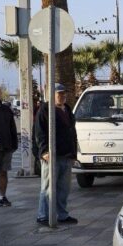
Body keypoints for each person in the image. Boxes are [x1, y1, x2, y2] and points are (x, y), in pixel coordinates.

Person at [34, 84, 78, 226]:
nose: (62, 96)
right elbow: (40, 133)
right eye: (59, 93)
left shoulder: (67, 109)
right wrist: (44, 151)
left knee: (64, 188)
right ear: (52, 95)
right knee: (48, 187)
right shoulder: (45, 110)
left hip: (66, 155)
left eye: (63, 93)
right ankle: (43, 215)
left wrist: (73, 154)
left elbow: (72, 132)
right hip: (52, 155)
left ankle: (62, 214)